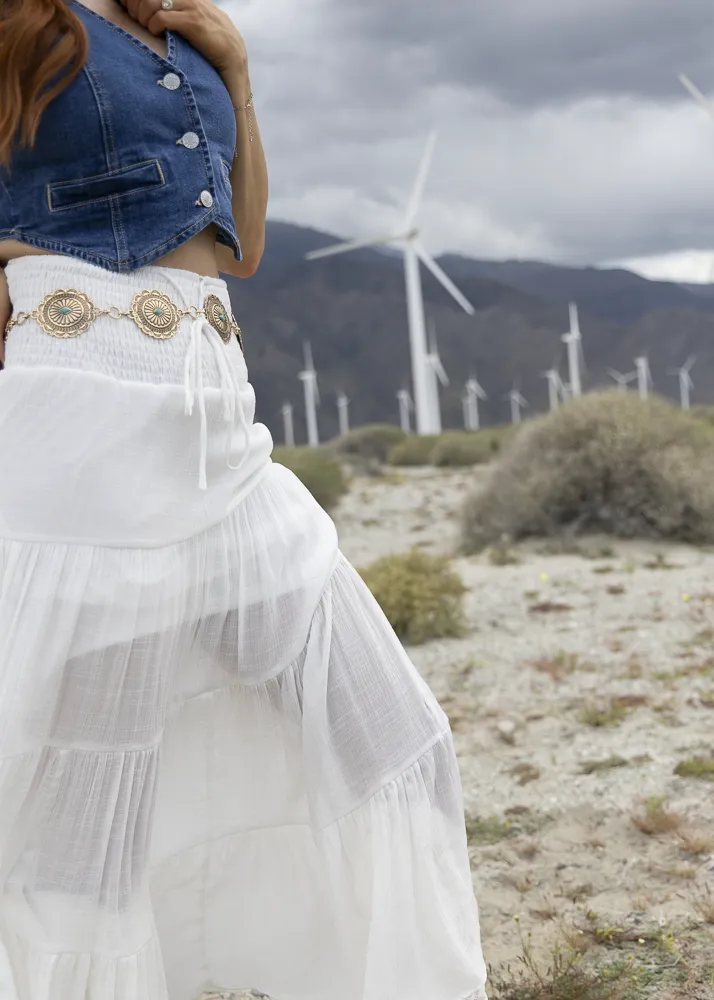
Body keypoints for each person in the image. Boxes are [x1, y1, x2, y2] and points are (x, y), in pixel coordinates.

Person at [0, 1, 488, 998]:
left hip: (218, 422)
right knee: (89, 814)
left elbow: (246, 243)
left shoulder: (176, 31)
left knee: (398, 737)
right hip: (86, 414)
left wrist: (241, 80)